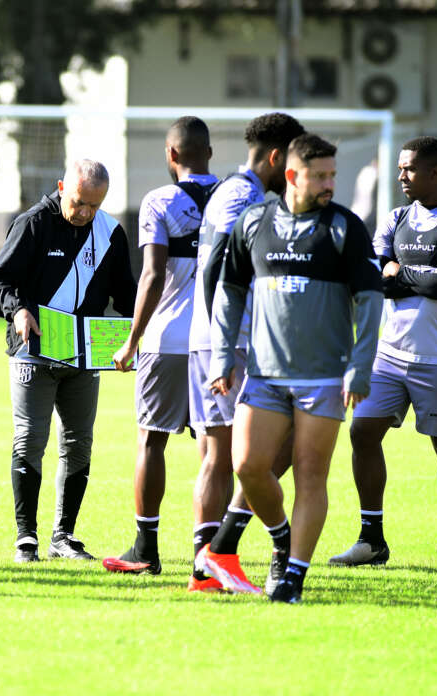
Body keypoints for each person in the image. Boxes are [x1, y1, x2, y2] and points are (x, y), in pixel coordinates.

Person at [199, 134, 383, 603]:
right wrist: (222, 356)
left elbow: (369, 298)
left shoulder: (345, 227)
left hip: (324, 378)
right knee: (248, 467)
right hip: (263, 375)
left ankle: (293, 580)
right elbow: (230, 292)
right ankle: (281, 539)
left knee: (309, 474)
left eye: (333, 175)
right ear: (291, 176)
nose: (329, 184)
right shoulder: (254, 221)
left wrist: (359, 366)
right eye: (320, 175)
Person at [329, 136, 437, 574]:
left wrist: (404, 273)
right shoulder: (394, 218)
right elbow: (376, 278)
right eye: (399, 168)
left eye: (409, 169)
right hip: (389, 356)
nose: (401, 176)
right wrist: (423, 274)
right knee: (362, 434)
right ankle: (371, 541)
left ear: (436, 172)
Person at [0, 159, 137, 563]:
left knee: (79, 443)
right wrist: (18, 310)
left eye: (95, 205)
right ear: (61, 187)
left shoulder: (109, 233)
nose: (86, 213)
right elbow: (0, 281)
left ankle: (64, 536)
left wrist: (136, 334)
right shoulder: (33, 223)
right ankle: (26, 538)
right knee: (30, 439)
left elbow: (125, 297)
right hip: (32, 351)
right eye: (79, 203)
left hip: (84, 355)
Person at [185, 113, 305, 593]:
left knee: (238, 454)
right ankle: (214, 558)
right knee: (254, 452)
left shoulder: (231, 191)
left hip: (221, 339)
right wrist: (225, 340)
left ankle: (212, 560)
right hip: (230, 344)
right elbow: (218, 271)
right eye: (292, 163)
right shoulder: (244, 197)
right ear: (276, 157)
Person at [100, 117, 217, 577]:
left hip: (167, 338)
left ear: (171, 155)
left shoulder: (159, 201)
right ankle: (208, 557)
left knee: (152, 440)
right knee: (214, 448)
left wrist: (131, 340)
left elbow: (151, 274)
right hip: (220, 341)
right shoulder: (239, 198)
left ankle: (145, 548)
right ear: (208, 152)